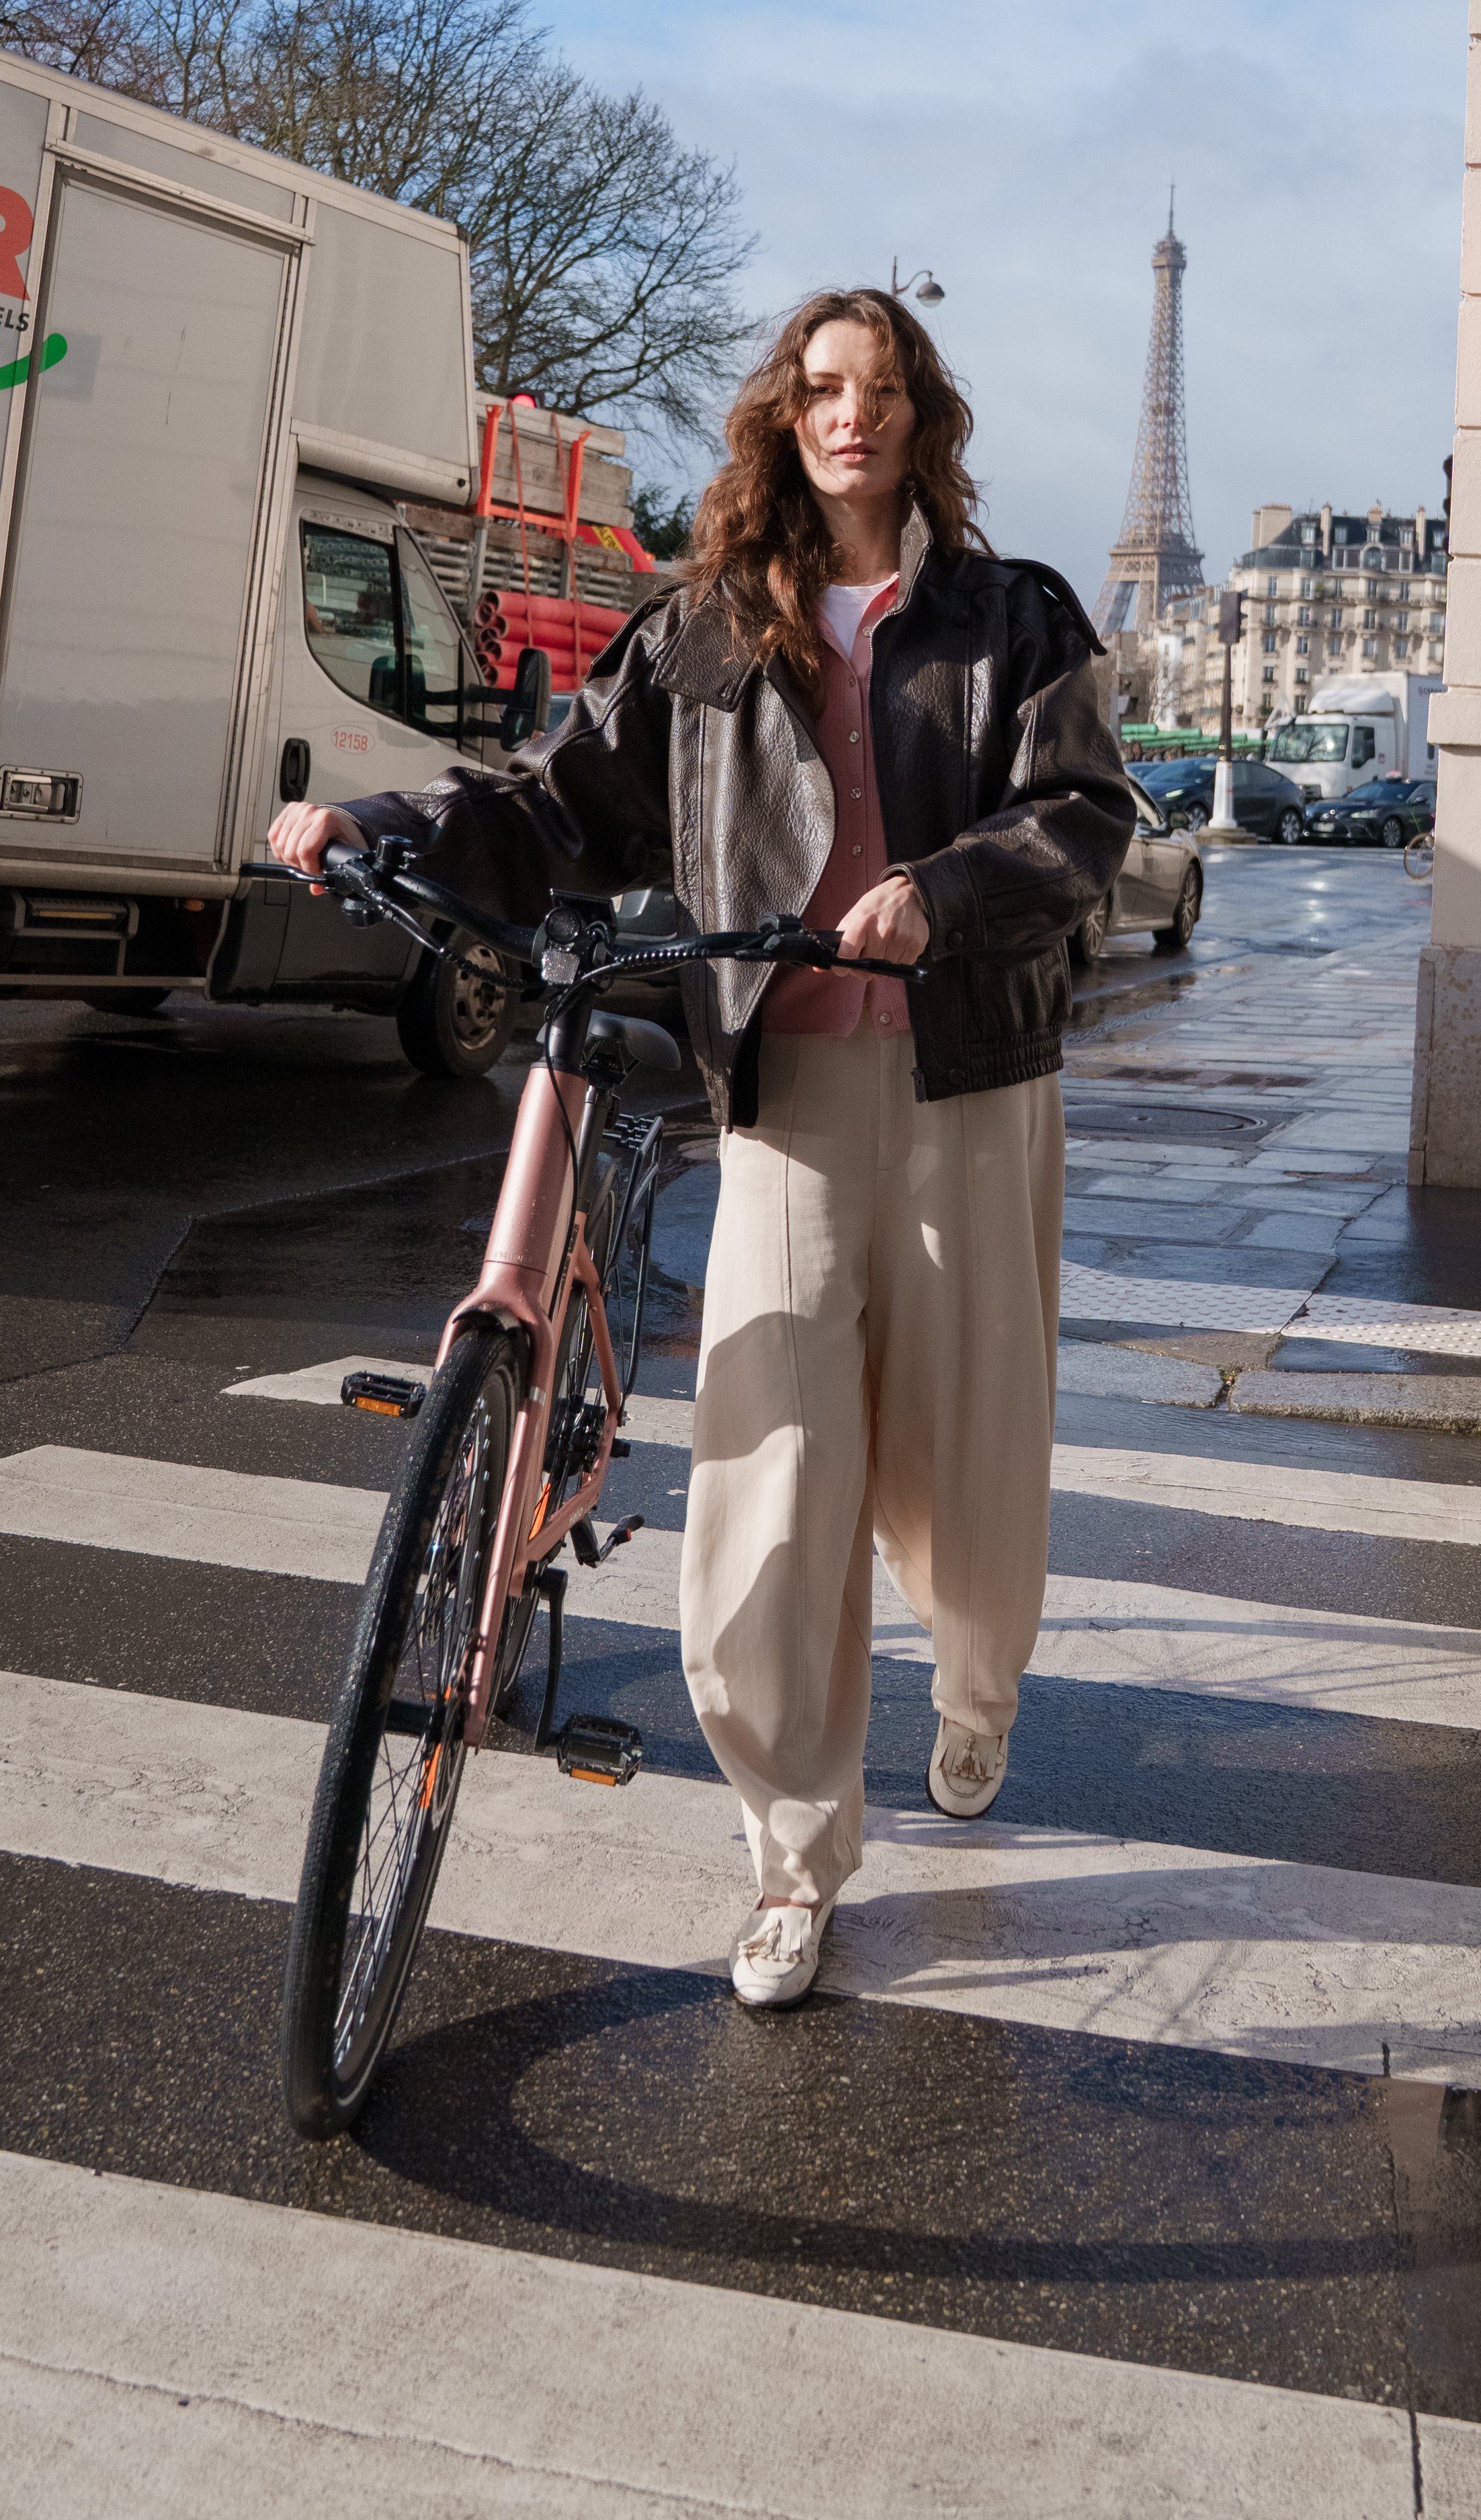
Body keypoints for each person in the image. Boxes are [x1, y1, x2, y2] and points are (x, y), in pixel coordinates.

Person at [269, 286, 1134, 2011]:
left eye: (881, 389)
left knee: (968, 1469)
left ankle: (974, 1697)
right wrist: (380, 820)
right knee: (772, 1485)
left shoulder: (1010, 618)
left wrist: (939, 894)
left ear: (921, 418)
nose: (850, 416)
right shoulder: (704, 631)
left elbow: (1084, 815)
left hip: (970, 1085)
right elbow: (557, 800)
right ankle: (791, 1855)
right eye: (822, 387)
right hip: (789, 1104)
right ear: (783, 416)